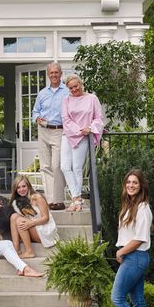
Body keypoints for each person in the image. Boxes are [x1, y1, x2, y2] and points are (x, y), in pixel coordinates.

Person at [110, 169, 152, 307]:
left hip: (135, 257)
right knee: (138, 300)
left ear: (141, 185)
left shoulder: (143, 208)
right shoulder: (129, 206)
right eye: (128, 182)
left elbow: (140, 238)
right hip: (132, 257)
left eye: (135, 182)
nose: (131, 185)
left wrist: (120, 251)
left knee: (117, 297)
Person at [60, 74, 104, 211]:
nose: (74, 89)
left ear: (81, 84)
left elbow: (99, 118)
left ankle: (76, 202)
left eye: (75, 86)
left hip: (84, 137)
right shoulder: (66, 100)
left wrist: (90, 129)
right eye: (70, 88)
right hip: (68, 135)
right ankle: (76, 197)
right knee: (64, 167)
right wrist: (79, 129)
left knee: (77, 168)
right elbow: (65, 119)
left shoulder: (92, 98)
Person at [32, 62, 69, 211]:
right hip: (43, 131)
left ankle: (58, 200)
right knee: (45, 166)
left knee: (57, 166)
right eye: (51, 73)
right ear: (48, 75)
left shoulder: (67, 92)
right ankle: (50, 200)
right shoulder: (42, 93)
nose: (54, 75)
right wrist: (37, 118)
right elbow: (35, 111)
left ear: (61, 74)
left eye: (56, 72)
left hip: (59, 131)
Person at [8, 175, 59, 258]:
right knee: (14, 216)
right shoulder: (22, 200)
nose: (21, 190)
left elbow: (46, 218)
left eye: (24, 186)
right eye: (18, 188)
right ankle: (16, 250)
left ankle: (29, 251)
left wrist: (30, 223)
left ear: (28, 186)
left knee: (20, 221)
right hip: (35, 227)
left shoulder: (37, 197)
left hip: (45, 229)